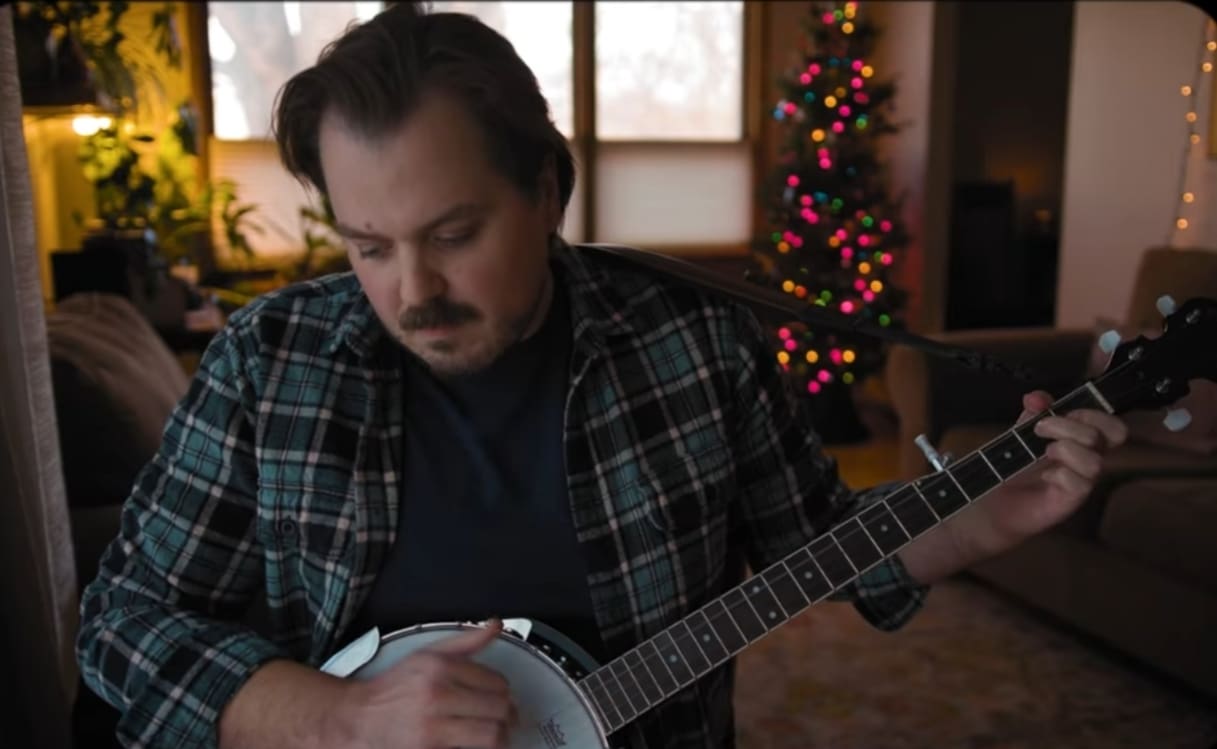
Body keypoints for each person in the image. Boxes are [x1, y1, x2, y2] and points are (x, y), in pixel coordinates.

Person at [75, 4, 1129, 749]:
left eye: (453, 233)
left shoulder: (696, 340)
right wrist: (335, 717)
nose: (413, 289)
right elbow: (120, 618)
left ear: (546, 190)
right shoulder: (270, 361)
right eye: (370, 246)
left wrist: (977, 521)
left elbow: (813, 541)